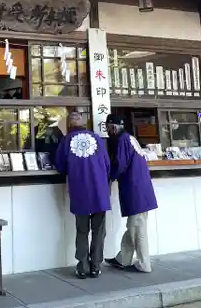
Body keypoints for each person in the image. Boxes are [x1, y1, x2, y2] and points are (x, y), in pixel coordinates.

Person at [55, 111, 111, 279]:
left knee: (82, 230)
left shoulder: (66, 140)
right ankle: (96, 265)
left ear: (70, 124)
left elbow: (60, 165)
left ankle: (83, 267)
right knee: (99, 230)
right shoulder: (97, 139)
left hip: (80, 191)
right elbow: (107, 164)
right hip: (99, 191)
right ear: (84, 123)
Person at [105, 114, 158, 273]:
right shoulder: (130, 138)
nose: (108, 132)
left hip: (134, 189)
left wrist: (110, 177)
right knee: (134, 226)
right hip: (142, 188)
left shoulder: (121, 140)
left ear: (113, 127)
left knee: (137, 229)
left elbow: (120, 163)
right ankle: (124, 259)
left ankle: (144, 264)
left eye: (108, 128)